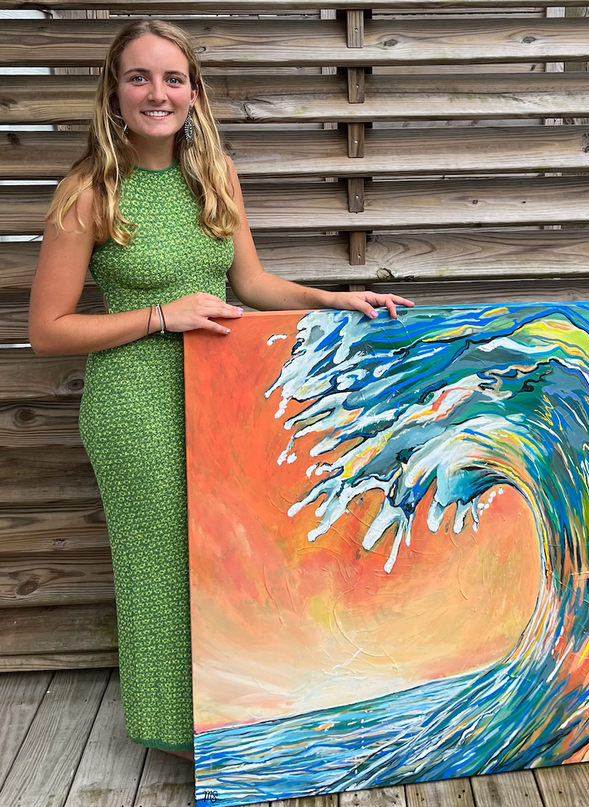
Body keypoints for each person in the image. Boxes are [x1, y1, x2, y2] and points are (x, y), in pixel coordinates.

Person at [28, 18, 412, 761]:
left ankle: (233, 729)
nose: (157, 93)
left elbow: (250, 283)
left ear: (194, 94)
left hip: (224, 399)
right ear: (113, 92)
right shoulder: (88, 192)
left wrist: (333, 301)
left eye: (173, 79)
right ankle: (179, 738)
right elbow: (48, 330)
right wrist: (162, 316)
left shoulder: (215, 174)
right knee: (162, 564)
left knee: (228, 562)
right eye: (139, 77)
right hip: (134, 405)